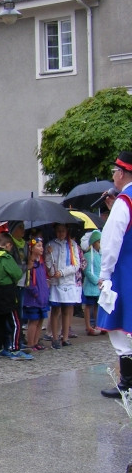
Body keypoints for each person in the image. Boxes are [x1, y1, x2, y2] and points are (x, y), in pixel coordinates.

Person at [99, 152, 132, 398]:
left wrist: (104, 273)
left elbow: (111, 241)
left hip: (124, 271)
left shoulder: (125, 200)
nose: (113, 176)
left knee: (121, 326)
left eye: (114, 172)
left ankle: (127, 383)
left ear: (121, 173)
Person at [0, 232, 33, 360]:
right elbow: (16, 273)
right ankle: (15, 350)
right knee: (15, 321)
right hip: (7, 292)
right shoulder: (6, 257)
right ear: (8, 245)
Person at [45, 223, 82, 350]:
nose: (61, 233)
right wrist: (52, 271)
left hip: (68, 281)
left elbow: (76, 265)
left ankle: (65, 337)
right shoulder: (50, 245)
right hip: (56, 282)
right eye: (58, 231)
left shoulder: (72, 245)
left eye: (63, 231)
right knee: (56, 310)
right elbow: (48, 264)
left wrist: (63, 272)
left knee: (67, 310)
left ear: (67, 231)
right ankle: (55, 338)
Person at [21, 237, 50, 352]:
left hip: (41, 296)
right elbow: (28, 281)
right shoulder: (30, 263)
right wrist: (35, 291)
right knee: (33, 320)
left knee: (40, 319)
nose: (41, 248)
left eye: (42, 245)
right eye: (38, 246)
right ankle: (30, 343)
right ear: (31, 248)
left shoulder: (40, 262)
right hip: (33, 298)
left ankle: (36, 341)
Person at [82, 229, 102, 336]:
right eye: (99, 242)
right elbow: (87, 271)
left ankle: (97, 324)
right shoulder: (88, 255)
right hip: (91, 285)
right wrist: (96, 280)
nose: (100, 244)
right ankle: (88, 326)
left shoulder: (100, 255)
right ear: (93, 242)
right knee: (88, 306)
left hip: (99, 285)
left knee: (97, 306)